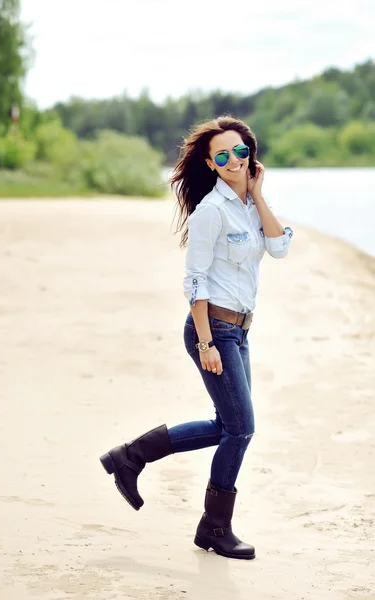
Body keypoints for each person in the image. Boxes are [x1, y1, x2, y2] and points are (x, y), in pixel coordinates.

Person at [100, 115, 293, 560]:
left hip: (240, 330)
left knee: (227, 426)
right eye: (221, 155)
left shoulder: (248, 206)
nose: (232, 160)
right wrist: (206, 343)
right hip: (214, 331)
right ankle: (214, 526)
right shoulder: (211, 211)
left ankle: (131, 456)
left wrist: (258, 195)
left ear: (251, 154)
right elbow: (194, 282)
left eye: (239, 151)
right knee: (241, 429)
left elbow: (280, 247)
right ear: (209, 162)